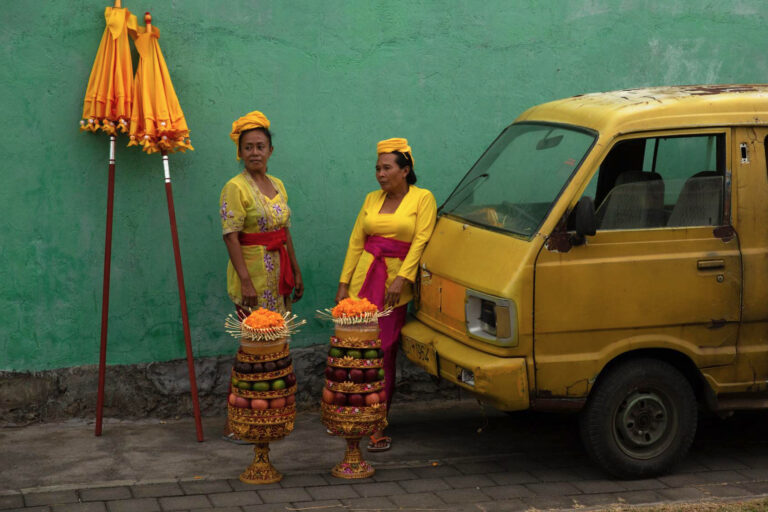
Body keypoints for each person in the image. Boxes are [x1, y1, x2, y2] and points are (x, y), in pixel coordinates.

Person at [336, 137, 437, 452]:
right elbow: (357, 241)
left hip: (394, 288)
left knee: (384, 351)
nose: (380, 174)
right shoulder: (370, 199)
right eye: (377, 168)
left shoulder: (423, 199)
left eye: (387, 167)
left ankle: (377, 422)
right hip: (363, 282)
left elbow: (421, 240)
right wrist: (343, 283)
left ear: (405, 170)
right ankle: (352, 414)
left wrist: (404, 278)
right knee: (355, 351)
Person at [220, 110, 303, 442]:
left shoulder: (278, 184)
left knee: (276, 346)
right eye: (248, 147)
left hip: (278, 273)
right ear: (239, 152)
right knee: (251, 350)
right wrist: (244, 279)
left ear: (271, 150)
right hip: (252, 276)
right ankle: (239, 419)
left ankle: (271, 413)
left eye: (260, 146)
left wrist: (296, 270)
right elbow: (230, 234)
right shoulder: (234, 187)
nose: (255, 152)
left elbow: (285, 231)